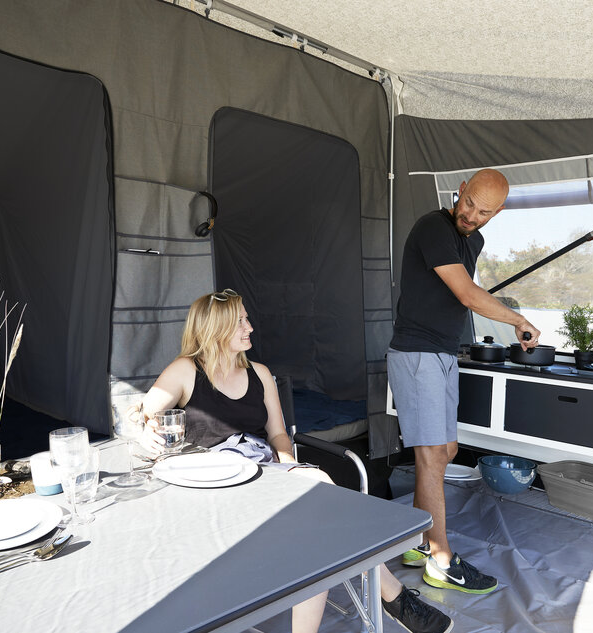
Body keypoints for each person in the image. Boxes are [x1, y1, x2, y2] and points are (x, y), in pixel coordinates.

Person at [135, 289, 453, 633]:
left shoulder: (259, 373)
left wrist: (289, 466)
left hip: (261, 473)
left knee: (321, 518)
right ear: (216, 327)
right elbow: (140, 414)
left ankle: (390, 600)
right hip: (211, 487)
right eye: (240, 321)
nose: (250, 327)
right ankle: (396, 599)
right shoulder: (186, 370)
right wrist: (144, 430)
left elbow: (277, 434)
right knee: (326, 520)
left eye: (246, 319)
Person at [387, 168, 541, 594]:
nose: (471, 215)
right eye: (469, 203)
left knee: (447, 450)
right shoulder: (433, 226)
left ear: (498, 212)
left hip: (443, 352)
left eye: (484, 212)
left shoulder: (474, 240)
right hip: (416, 352)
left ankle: (416, 542)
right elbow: (467, 294)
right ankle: (440, 559)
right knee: (432, 453)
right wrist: (517, 319)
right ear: (460, 191)